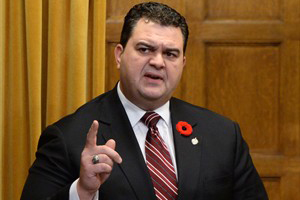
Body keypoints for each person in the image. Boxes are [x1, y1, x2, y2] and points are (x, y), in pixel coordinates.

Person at [21, 2, 268, 200]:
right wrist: (82, 192)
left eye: (170, 54)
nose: (158, 62)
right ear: (119, 55)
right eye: (144, 49)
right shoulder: (68, 137)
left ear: (182, 64)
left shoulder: (223, 135)